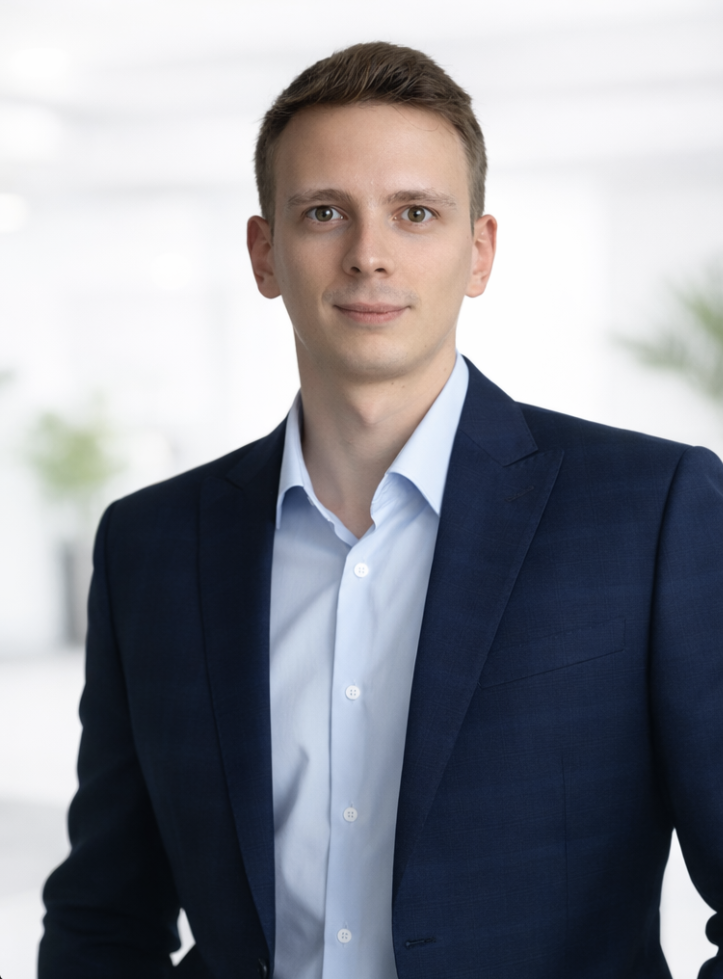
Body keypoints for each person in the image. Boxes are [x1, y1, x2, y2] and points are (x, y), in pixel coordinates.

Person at [39, 41, 723, 979]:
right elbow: (103, 915)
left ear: (477, 253)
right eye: (325, 212)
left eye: (414, 213)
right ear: (264, 252)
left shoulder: (650, 511)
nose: (368, 254)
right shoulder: (150, 546)